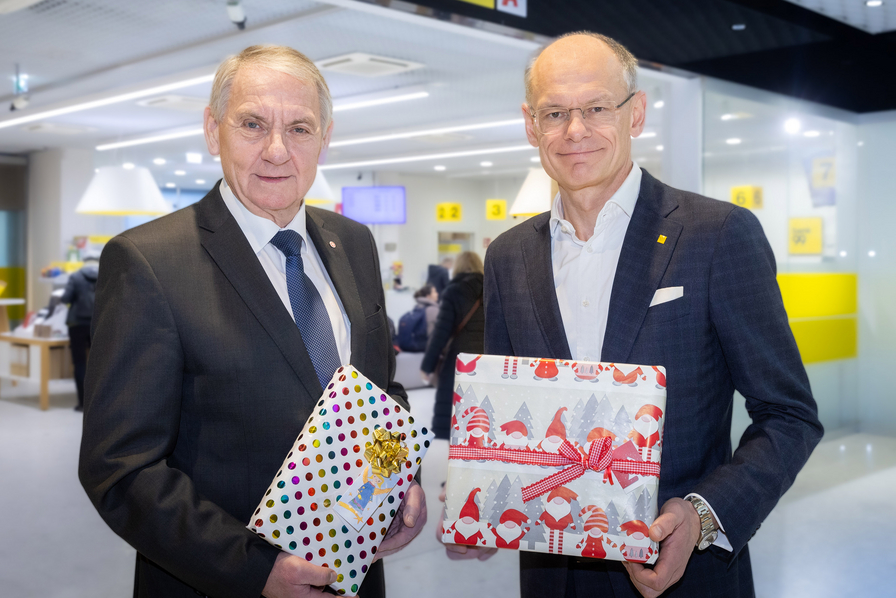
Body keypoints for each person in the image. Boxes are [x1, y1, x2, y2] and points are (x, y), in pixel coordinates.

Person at [477, 32, 823, 597]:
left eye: (595, 108)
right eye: (555, 113)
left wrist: (704, 515)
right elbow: (501, 415)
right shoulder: (508, 256)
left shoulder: (718, 236)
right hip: (553, 577)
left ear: (635, 113)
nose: (575, 130)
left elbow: (789, 415)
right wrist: (484, 489)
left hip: (687, 572)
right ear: (530, 124)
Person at [78, 45, 425, 598]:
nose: (277, 150)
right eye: (252, 124)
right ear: (213, 132)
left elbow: (381, 391)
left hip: (353, 573)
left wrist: (398, 477)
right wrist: (254, 569)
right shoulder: (149, 261)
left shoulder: (353, 242)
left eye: (300, 128)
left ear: (325, 138)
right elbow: (120, 469)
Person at [420, 251, 485, 439]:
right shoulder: (492, 289)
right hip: (487, 358)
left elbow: (441, 332)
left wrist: (427, 366)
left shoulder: (454, 291)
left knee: (454, 407)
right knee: (481, 411)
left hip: (459, 359)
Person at [60, 254, 98, 412]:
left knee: (80, 362)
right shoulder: (106, 275)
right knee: (99, 363)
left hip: (76, 324)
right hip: (98, 322)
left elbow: (65, 298)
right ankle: (97, 403)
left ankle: (82, 403)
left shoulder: (75, 276)